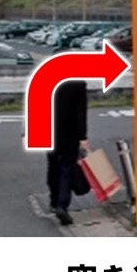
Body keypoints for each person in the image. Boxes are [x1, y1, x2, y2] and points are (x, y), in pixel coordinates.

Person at [46, 79, 90, 225]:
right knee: (67, 167)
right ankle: (62, 205)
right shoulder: (78, 82)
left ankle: (53, 200)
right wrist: (82, 137)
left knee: (53, 165)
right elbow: (81, 112)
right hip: (70, 132)